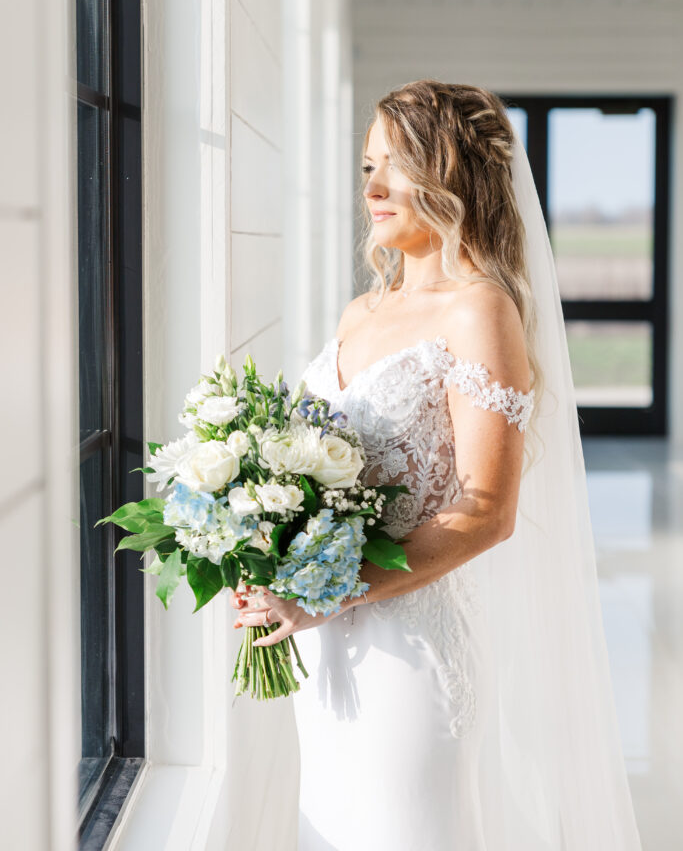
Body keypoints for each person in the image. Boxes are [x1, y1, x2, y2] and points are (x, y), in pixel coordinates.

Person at [231, 80, 643, 850]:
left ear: (450, 177)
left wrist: (330, 594)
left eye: (398, 166)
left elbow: (488, 509)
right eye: (366, 168)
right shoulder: (363, 311)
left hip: (406, 655)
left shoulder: (478, 309)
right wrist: (267, 545)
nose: (374, 188)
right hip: (319, 652)